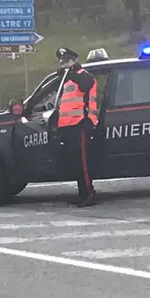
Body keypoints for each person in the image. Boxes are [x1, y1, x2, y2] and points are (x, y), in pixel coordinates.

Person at [54, 47, 98, 207]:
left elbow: (86, 85)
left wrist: (72, 73)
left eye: (66, 61)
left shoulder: (84, 76)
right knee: (76, 163)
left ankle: (90, 194)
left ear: (74, 61)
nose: (63, 64)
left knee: (84, 163)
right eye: (61, 62)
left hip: (81, 124)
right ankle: (82, 193)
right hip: (68, 126)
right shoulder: (66, 79)